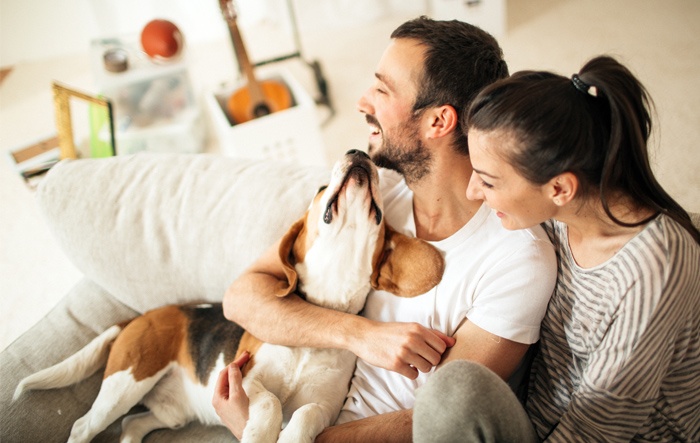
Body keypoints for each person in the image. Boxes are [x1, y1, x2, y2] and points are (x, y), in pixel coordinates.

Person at [213, 17, 558, 441]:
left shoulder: (518, 259)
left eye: (382, 89)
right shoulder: (376, 193)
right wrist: (361, 335)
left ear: (438, 122)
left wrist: (264, 434)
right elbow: (241, 297)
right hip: (300, 413)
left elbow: (435, 421)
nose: (361, 100)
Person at [413, 55, 700, 442]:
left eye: (489, 182)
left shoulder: (653, 267)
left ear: (560, 189)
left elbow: (599, 430)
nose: (473, 192)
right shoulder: (556, 214)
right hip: (537, 411)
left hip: (604, 435)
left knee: (454, 391)